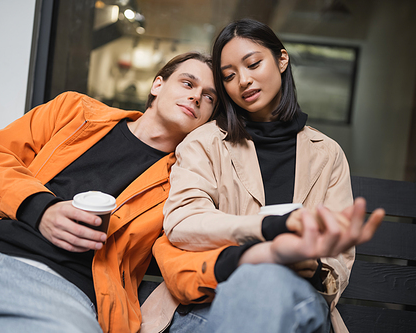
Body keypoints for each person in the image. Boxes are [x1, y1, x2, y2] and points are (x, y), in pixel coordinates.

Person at [0, 52, 217, 333]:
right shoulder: (75, 112)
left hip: (56, 294)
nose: (196, 97)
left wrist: (244, 257)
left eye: (209, 97)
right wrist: (40, 209)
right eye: (188, 83)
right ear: (157, 85)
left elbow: (183, 249)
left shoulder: (182, 183)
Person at [143, 19, 384, 333]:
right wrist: (267, 235)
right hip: (210, 301)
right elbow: (184, 222)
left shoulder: (327, 154)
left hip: (296, 299)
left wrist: (313, 267)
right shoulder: (205, 143)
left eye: (253, 64)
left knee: (274, 287)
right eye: (229, 76)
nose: (243, 80)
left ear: (282, 59)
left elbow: (337, 261)